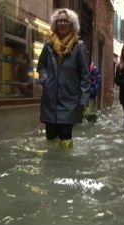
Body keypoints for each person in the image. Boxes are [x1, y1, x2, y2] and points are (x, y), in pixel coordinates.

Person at [37, 8, 90, 149]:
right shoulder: (48, 46)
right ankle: (50, 166)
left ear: (71, 24)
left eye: (65, 21)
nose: (62, 23)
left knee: (65, 136)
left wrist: (84, 99)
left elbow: (85, 75)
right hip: (50, 98)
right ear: (55, 23)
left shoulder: (79, 47)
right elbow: (41, 66)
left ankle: (65, 167)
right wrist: (45, 80)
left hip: (70, 100)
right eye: (59, 20)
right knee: (50, 135)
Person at [83, 51, 102, 122]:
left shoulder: (94, 69)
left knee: (90, 117)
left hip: (90, 97)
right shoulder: (77, 68)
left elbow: (98, 83)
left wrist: (90, 91)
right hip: (79, 97)